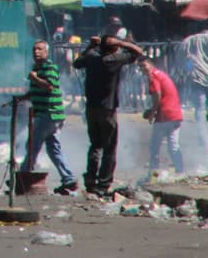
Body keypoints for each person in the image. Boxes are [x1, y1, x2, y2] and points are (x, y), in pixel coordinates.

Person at [72, 33, 143, 197]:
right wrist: (122, 42)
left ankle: (90, 180)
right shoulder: (113, 60)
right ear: (114, 49)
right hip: (108, 109)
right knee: (109, 148)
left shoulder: (92, 58)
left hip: (91, 108)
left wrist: (91, 46)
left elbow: (77, 63)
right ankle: (103, 184)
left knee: (95, 145)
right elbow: (138, 52)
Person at [20, 40, 77, 195]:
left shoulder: (49, 67)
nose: (36, 52)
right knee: (54, 149)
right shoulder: (36, 68)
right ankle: (68, 179)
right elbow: (38, 89)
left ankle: (23, 176)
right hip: (49, 114)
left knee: (33, 144)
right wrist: (23, 98)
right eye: (34, 49)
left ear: (46, 52)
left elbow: (49, 86)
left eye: (39, 49)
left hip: (50, 114)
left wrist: (35, 78)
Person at [138, 57, 185, 175]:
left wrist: (152, 112)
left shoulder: (153, 77)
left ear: (151, 64)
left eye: (144, 65)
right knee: (173, 145)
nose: (142, 69)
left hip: (165, 114)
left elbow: (157, 95)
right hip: (175, 113)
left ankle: (153, 171)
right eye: (140, 67)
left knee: (154, 145)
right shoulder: (161, 74)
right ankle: (180, 171)